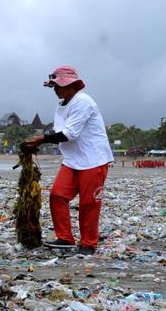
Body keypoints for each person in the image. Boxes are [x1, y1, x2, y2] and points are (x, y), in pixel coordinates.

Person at [21, 65, 113, 255]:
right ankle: (65, 238)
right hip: (72, 160)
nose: (55, 90)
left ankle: (88, 244)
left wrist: (43, 139)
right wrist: (39, 144)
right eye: (54, 86)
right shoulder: (61, 106)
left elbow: (70, 134)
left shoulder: (83, 102)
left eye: (58, 86)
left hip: (93, 160)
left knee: (89, 203)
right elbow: (60, 134)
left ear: (71, 85)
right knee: (57, 195)